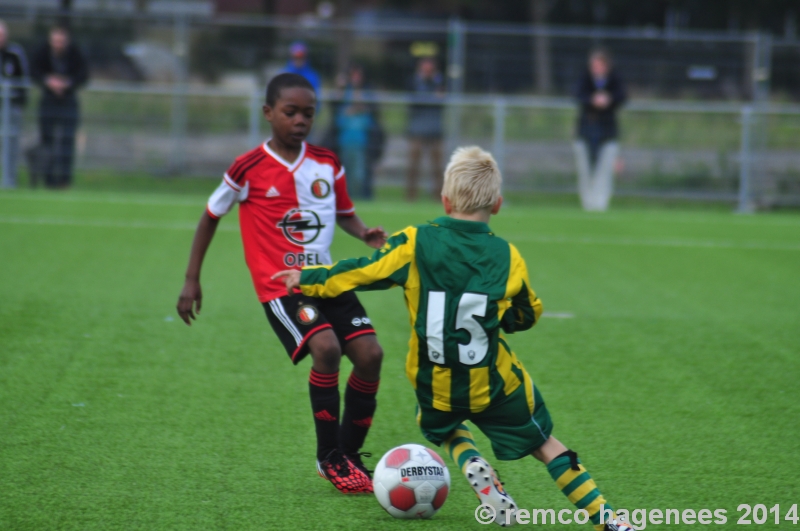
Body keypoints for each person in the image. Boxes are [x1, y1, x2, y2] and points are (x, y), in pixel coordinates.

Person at [275, 146, 634, 531]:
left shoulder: (415, 241)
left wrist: (308, 277)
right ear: (496, 205)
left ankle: (469, 461)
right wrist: (503, 318)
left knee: (440, 426)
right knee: (546, 443)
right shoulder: (506, 255)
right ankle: (608, 520)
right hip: (494, 384)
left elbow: (364, 270)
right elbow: (528, 312)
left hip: (435, 382)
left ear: (444, 200)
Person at [176, 73, 387, 495]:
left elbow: (343, 210)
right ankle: (329, 458)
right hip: (280, 289)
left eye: (308, 113)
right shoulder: (248, 167)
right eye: (290, 112)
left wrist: (363, 232)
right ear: (268, 113)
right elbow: (210, 216)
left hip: (325, 280)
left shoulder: (327, 162)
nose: (299, 120)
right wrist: (191, 279)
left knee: (370, 354)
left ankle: (346, 454)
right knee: (325, 348)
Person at [30, 25, 89, 189]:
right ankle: (48, 179)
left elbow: (83, 74)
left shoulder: (75, 53)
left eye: (61, 41)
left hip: (68, 100)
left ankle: (64, 180)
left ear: (67, 41)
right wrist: (49, 81)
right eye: (55, 41)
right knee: (47, 139)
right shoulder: (42, 52)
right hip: (48, 100)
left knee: (67, 140)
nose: (58, 44)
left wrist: (66, 84)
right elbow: (34, 70)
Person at [574, 49, 626, 212]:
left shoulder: (614, 80)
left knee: (604, 170)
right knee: (585, 169)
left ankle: (600, 204)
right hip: (586, 131)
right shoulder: (585, 79)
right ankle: (588, 204)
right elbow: (577, 95)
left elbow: (622, 96)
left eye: (599, 65)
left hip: (607, 132)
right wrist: (592, 100)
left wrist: (607, 100)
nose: (596, 68)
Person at [333, 64, 384, 200]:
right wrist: (339, 88)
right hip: (344, 141)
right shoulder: (344, 93)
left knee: (359, 175)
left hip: (362, 142)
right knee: (344, 174)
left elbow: (376, 116)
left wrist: (361, 107)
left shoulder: (368, 93)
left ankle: (360, 198)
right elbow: (333, 110)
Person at [406, 57, 445, 201]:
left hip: (435, 130)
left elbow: (442, 100)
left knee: (437, 168)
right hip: (417, 130)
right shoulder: (414, 82)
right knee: (413, 167)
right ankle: (411, 197)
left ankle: (439, 197)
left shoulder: (440, 82)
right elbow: (413, 101)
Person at [0, 19, 28, 189]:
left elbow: (24, 81)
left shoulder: (15, 53)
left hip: (11, 108)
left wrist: (20, 104)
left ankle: (9, 181)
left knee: (11, 145)